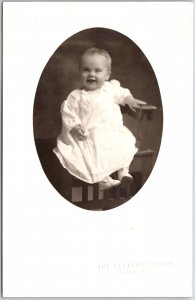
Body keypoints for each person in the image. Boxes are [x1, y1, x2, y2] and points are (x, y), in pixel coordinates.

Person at [53, 47, 146, 190]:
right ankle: (103, 179)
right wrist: (76, 127)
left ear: (107, 75)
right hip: (87, 134)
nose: (91, 74)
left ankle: (123, 172)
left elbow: (122, 93)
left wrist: (129, 99)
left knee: (122, 143)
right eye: (86, 70)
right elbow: (68, 113)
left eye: (97, 70)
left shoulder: (109, 88)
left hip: (111, 132)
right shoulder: (76, 95)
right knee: (94, 150)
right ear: (80, 72)